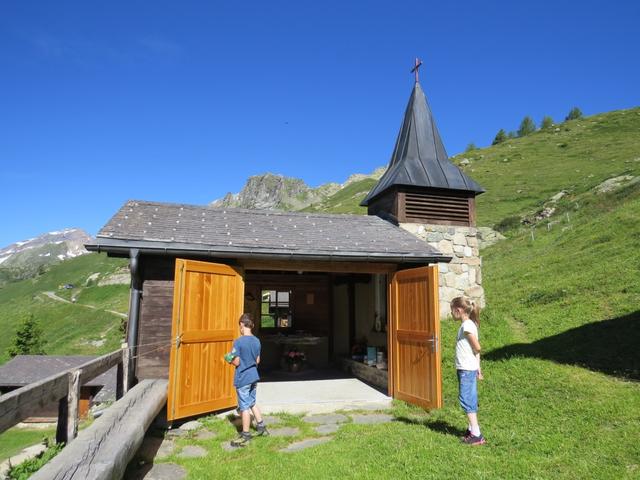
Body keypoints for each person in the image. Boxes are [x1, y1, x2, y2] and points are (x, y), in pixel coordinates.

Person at [225, 313, 268, 446]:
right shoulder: (257, 341)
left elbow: (237, 362)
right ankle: (261, 427)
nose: (240, 329)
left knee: (244, 407)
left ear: (242, 325)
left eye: (240, 326)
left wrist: (228, 359)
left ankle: (245, 434)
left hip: (243, 378)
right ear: (252, 325)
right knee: (252, 402)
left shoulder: (238, 342)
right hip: (254, 376)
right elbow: (257, 360)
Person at [451, 296, 486, 446]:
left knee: (467, 399)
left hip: (466, 369)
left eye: (452, 311)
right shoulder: (469, 324)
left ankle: (477, 435)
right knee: (470, 397)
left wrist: (475, 366)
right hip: (469, 368)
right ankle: (471, 429)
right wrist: (478, 367)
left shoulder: (466, 327)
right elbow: (475, 352)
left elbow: (477, 348)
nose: (451, 314)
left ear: (458, 310)